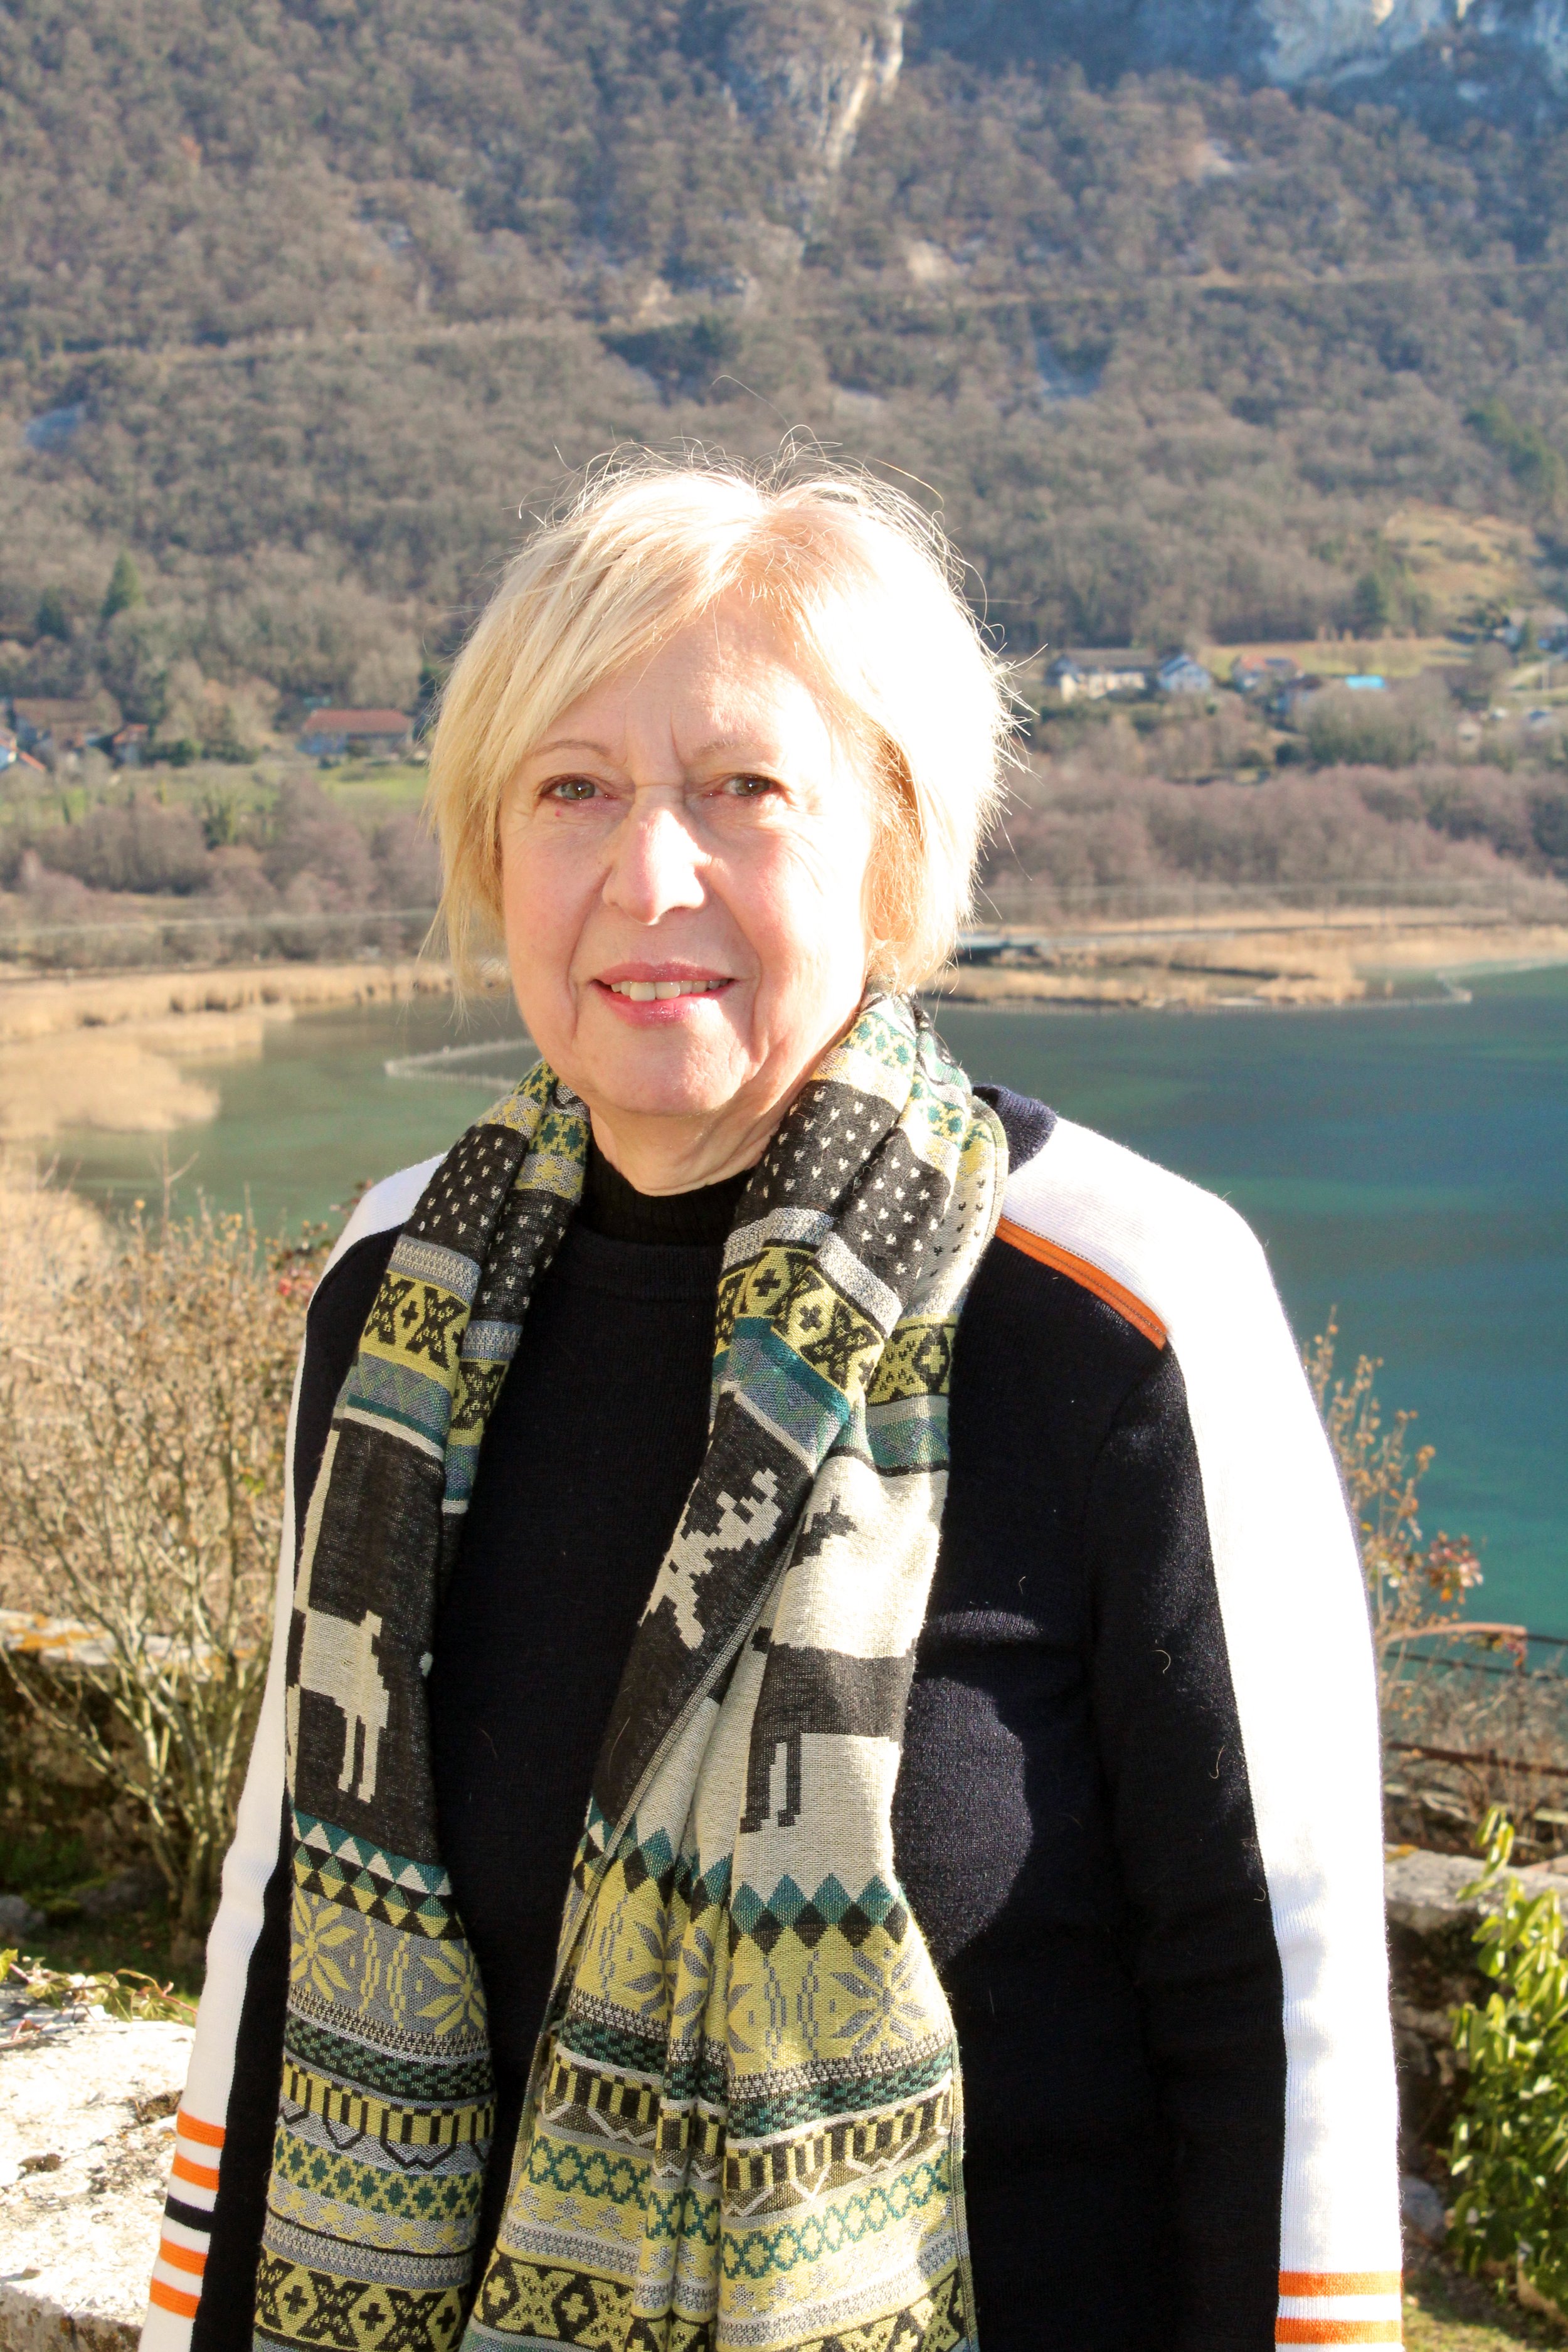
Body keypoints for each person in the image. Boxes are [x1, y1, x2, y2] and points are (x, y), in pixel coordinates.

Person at [142, 456, 1401, 2352]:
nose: (651, 875)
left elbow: (1273, 2004)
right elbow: (281, 1911)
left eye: (743, 790)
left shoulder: (1117, 1304)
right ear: (493, 850)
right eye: (572, 791)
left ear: (892, 848)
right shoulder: (393, 1295)